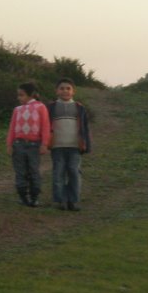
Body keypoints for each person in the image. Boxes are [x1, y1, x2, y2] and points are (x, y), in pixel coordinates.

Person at [47, 77, 92, 212]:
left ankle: (73, 200)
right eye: (62, 88)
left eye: (68, 88)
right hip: (57, 147)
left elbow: (85, 128)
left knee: (74, 172)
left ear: (73, 92)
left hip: (74, 147)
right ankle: (60, 201)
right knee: (58, 173)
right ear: (56, 91)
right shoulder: (51, 107)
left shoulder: (79, 108)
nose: (65, 91)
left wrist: (86, 145)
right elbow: (45, 127)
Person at [5, 81, 50, 207]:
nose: (19, 98)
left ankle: (34, 197)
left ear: (31, 95)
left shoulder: (40, 107)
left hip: (34, 145)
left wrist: (44, 144)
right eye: (18, 95)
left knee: (33, 171)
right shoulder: (17, 110)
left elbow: (45, 126)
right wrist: (9, 144)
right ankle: (23, 196)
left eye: (21, 95)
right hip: (18, 145)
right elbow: (12, 128)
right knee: (20, 172)